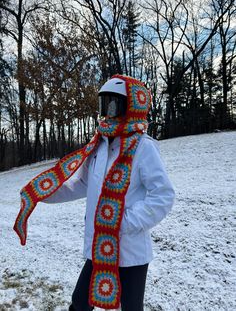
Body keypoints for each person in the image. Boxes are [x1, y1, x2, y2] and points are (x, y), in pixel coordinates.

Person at [14, 74, 175, 311]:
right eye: (105, 104)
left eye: (114, 104)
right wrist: (43, 194)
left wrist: (122, 222)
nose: (108, 112)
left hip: (131, 251)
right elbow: (81, 184)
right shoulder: (98, 144)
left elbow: (163, 196)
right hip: (99, 247)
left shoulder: (143, 146)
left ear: (130, 107)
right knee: (79, 305)